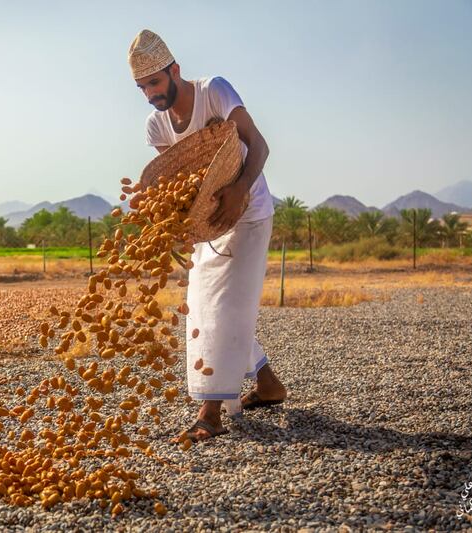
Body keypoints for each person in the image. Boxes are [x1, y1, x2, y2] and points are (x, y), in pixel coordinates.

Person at [128, 29, 288, 442]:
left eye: (155, 82)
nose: (150, 94)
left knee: (225, 306)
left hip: (248, 213)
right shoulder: (157, 126)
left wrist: (239, 190)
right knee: (204, 306)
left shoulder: (214, 91)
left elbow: (259, 146)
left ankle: (211, 412)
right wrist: (168, 227)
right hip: (209, 224)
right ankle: (268, 384)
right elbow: (177, 184)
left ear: (174, 70)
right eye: (142, 86)